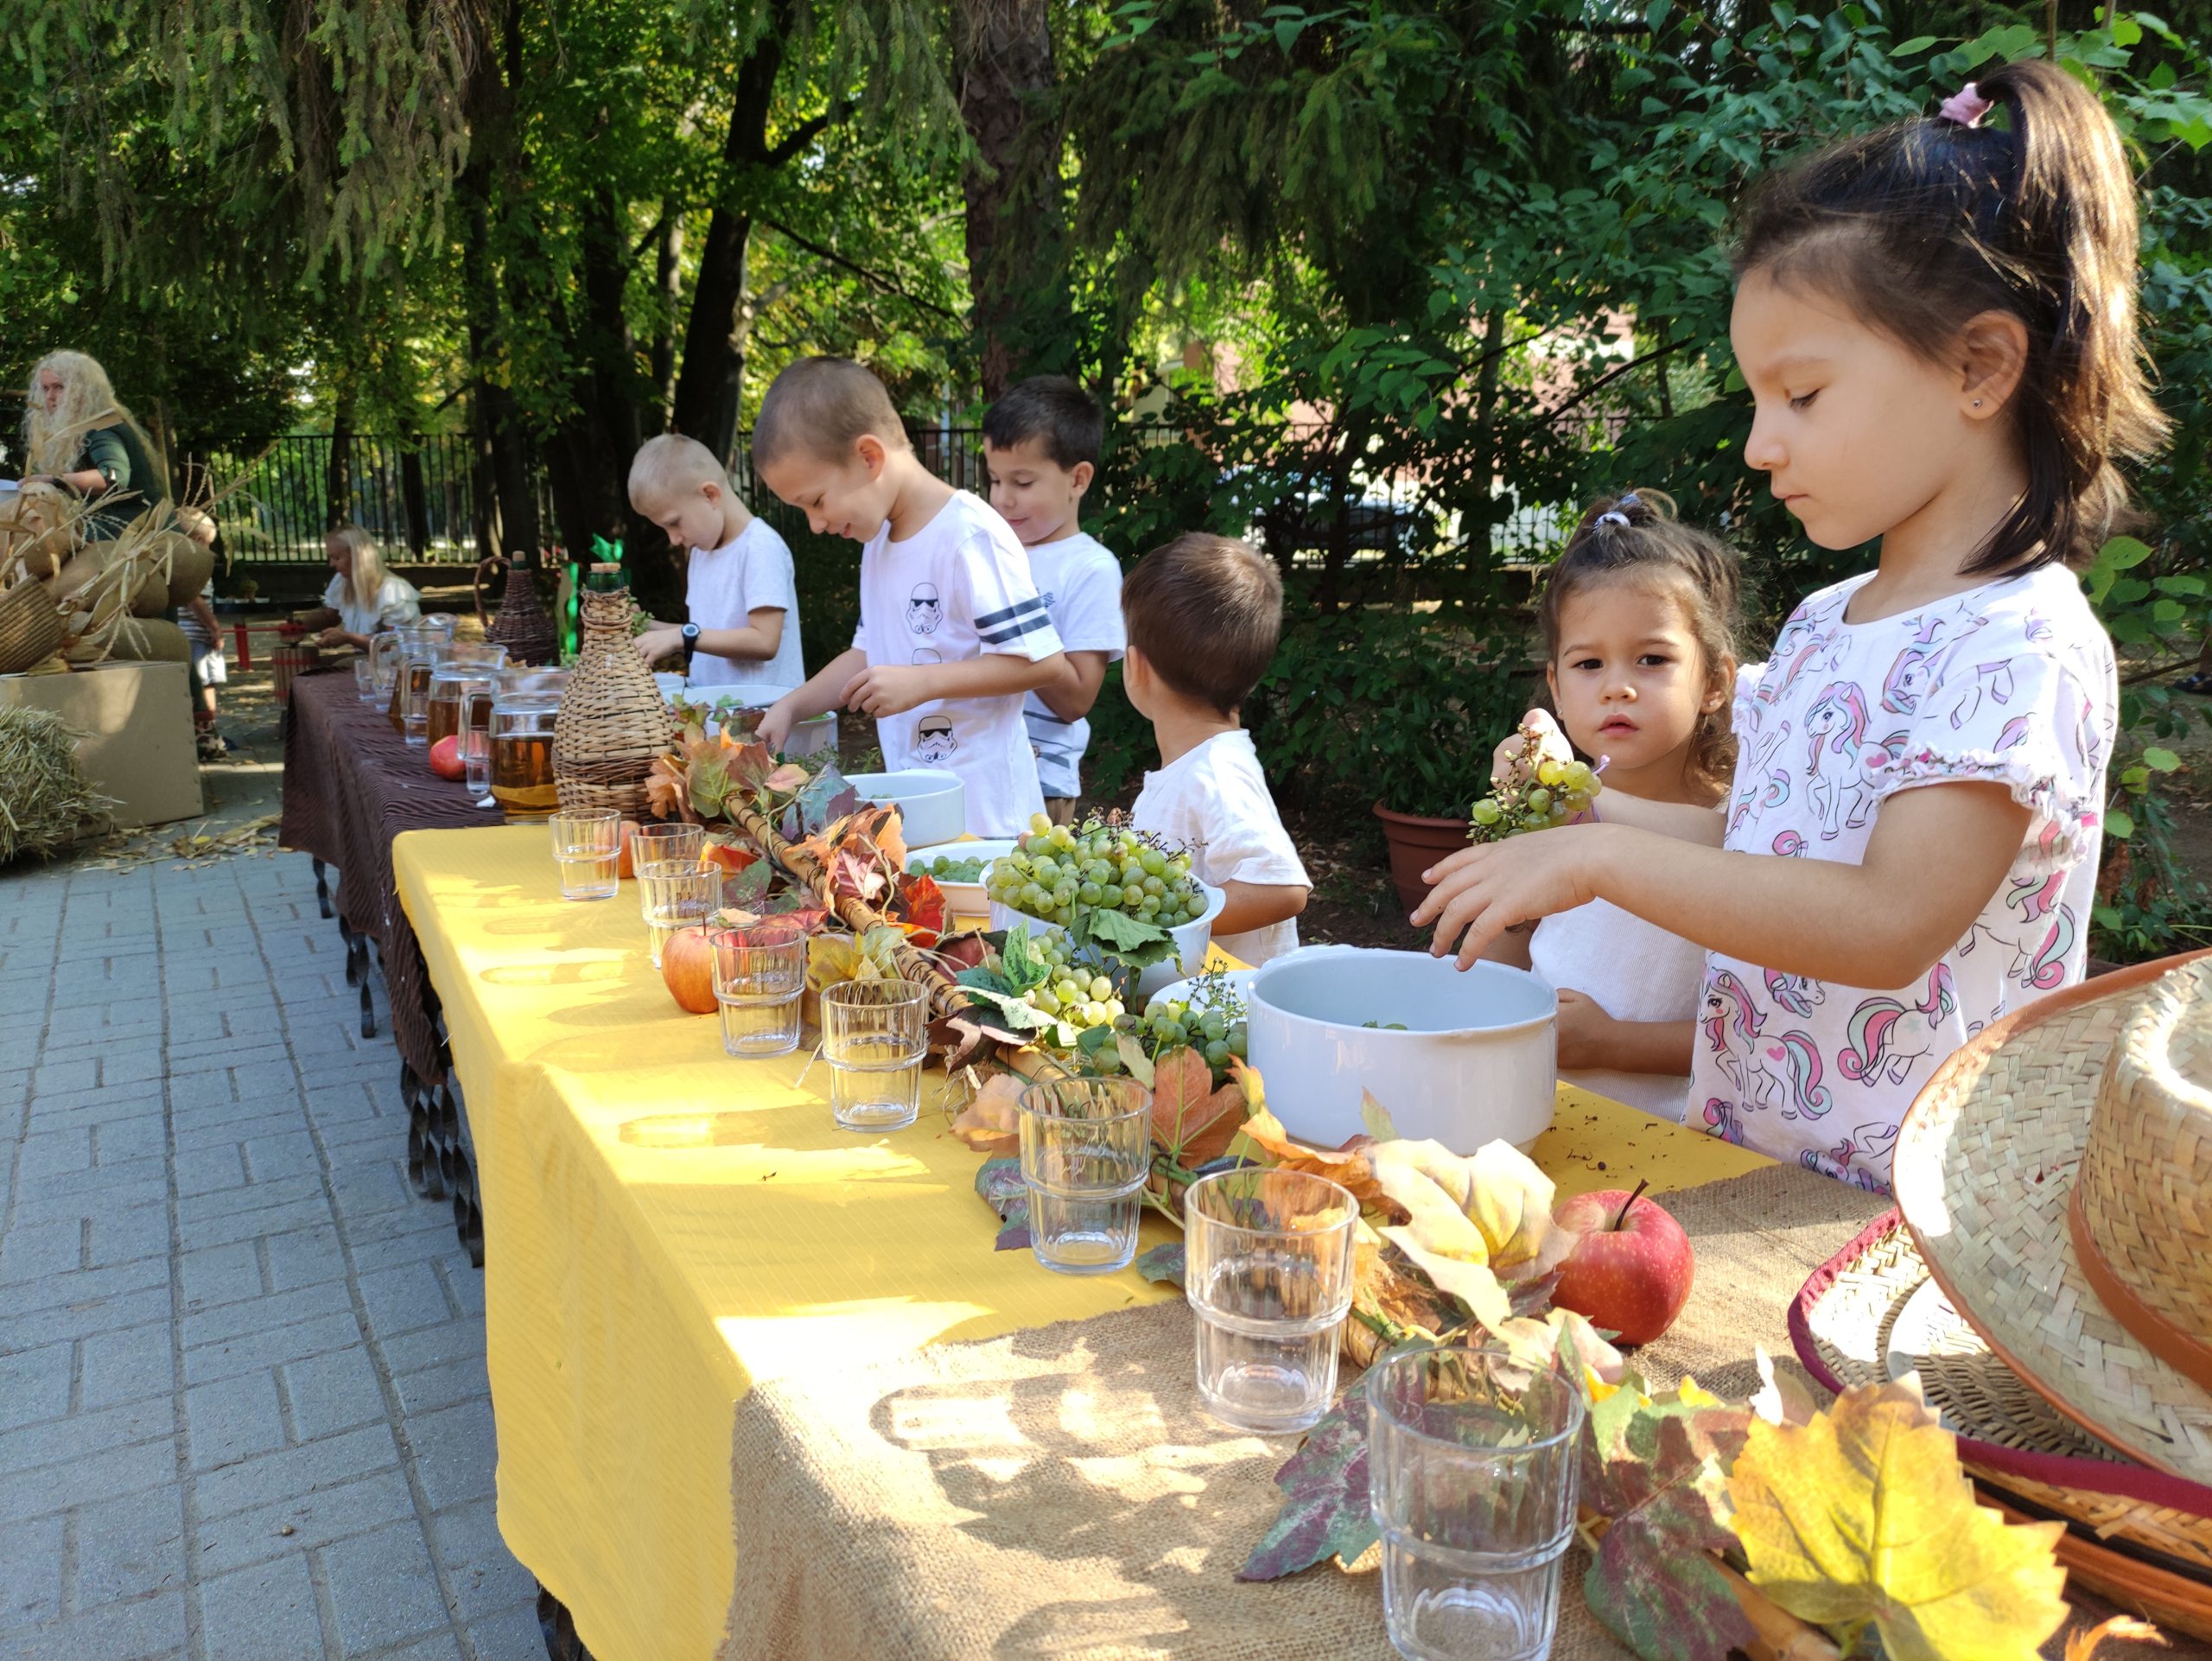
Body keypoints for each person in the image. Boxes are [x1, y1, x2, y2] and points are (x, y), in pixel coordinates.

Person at [1414, 61, 2158, 1192]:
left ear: (1981, 365)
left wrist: (1598, 855)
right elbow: (1774, 847)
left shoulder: (2020, 644)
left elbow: (1886, 920)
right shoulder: (1823, 623)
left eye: (1801, 395)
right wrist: (1564, 822)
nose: (1762, 445)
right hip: (1742, 1162)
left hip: (1910, 1217)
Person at [1478, 492, 1741, 1123]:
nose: (1617, 685)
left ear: (1714, 683)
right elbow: (1498, 965)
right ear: (1558, 689)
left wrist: (1615, 1043)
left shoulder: (1742, 830)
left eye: (1652, 659)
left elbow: (1761, 1038)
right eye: (1589, 663)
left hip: (1667, 1148)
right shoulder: (1551, 804)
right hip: (1534, 1117)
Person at [752, 358, 1068, 838]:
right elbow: (867, 653)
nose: (815, 525)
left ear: (869, 457)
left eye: (816, 501)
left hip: (987, 822)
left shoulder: (969, 536)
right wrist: (792, 706)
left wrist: (920, 683)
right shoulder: (878, 541)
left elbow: (1043, 663)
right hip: (916, 815)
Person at [1122, 533, 1310, 964]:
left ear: (1136, 667)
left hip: (1228, 1018)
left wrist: (1162, 923)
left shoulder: (1216, 773)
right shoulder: (1197, 767)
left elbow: (1281, 888)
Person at [981, 377, 1125, 822]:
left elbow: (1076, 700)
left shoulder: (1091, 568)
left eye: (1022, 482)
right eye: (994, 479)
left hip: (1040, 785)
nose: (1003, 498)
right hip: (974, 764)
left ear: (1078, 479)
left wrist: (1015, 617)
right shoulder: (989, 552)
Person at [626, 433, 804, 689]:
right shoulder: (701, 553)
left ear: (710, 495)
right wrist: (646, 625)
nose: (673, 539)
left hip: (762, 720)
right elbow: (704, 634)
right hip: (714, 718)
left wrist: (680, 637)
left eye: (674, 523)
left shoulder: (759, 547)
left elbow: (764, 642)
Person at [21, 349, 168, 540]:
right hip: (120, 533)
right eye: (46, 388)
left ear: (83, 390)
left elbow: (113, 477)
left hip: (136, 536)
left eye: (58, 387)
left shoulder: (103, 428)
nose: (50, 396)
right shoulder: (85, 428)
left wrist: (52, 480)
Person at [174, 507, 229, 761]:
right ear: (197, 541)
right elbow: (195, 600)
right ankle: (208, 735)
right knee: (206, 682)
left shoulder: (174, 562)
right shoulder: (194, 567)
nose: (210, 550)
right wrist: (214, 627)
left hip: (185, 632)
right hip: (197, 634)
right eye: (208, 544)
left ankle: (204, 734)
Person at [315, 525, 421, 649]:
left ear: (357, 557)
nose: (332, 564)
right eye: (330, 557)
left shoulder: (392, 591)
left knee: (335, 666)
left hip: (395, 665)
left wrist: (349, 638)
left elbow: (397, 646)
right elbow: (330, 616)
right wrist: (298, 626)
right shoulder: (343, 581)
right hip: (367, 662)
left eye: (337, 558)